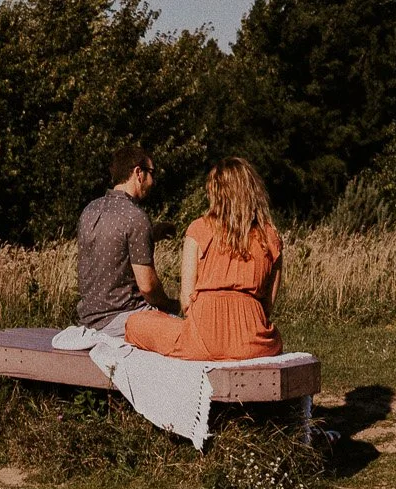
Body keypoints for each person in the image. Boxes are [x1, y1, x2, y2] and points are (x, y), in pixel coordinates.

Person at [124, 157, 284, 361]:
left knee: (136, 323)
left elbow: (186, 301)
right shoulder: (271, 237)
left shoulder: (199, 228)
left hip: (203, 340)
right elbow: (267, 306)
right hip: (254, 343)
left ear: (215, 193)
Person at [75, 145, 175, 333]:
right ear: (139, 173)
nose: (153, 181)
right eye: (151, 173)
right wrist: (170, 304)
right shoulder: (135, 217)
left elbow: (113, 244)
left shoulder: (90, 210)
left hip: (89, 319)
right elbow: (148, 288)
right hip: (124, 318)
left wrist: (152, 234)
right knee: (185, 328)